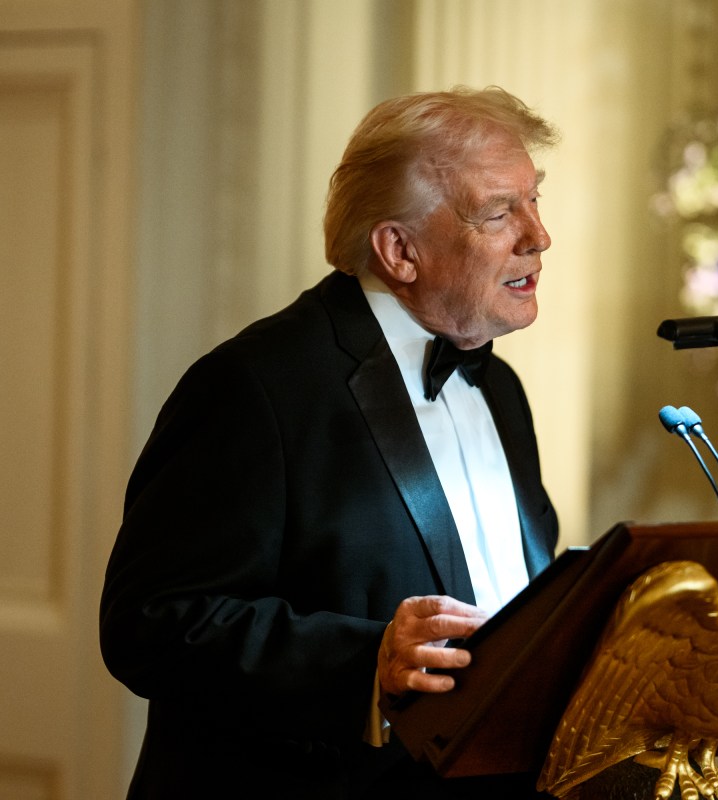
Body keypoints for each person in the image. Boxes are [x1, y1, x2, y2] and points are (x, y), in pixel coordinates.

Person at [99, 86, 561, 799]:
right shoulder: (256, 385)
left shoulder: (499, 388)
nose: (538, 236)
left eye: (534, 200)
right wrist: (364, 663)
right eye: (500, 211)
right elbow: (151, 624)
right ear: (399, 250)